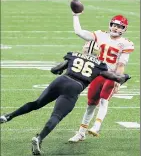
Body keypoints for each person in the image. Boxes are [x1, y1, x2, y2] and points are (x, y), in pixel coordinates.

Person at [0, 51, 130, 155]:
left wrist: (59, 70)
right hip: (75, 87)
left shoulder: (73, 55)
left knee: (37, 103)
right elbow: (116, 78)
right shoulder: (100, 65)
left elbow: (54, 69)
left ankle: (8, 116)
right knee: (56, 116)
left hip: (61, 80)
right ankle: (39, 138)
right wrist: (126, 77)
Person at [68, 9, 134, 142]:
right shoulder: (100, 35)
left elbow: (121, 65)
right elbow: (79, 32)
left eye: (119, 26)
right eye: (114, 25)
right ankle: (81, 133)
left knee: (104, 100)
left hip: (111, 75)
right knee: (91, 104)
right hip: (97, 73)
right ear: (110, 25)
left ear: (124, 29)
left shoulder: (125, 43)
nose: (115, 28)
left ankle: (97, 126)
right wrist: (75, 16)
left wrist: (117, 81)